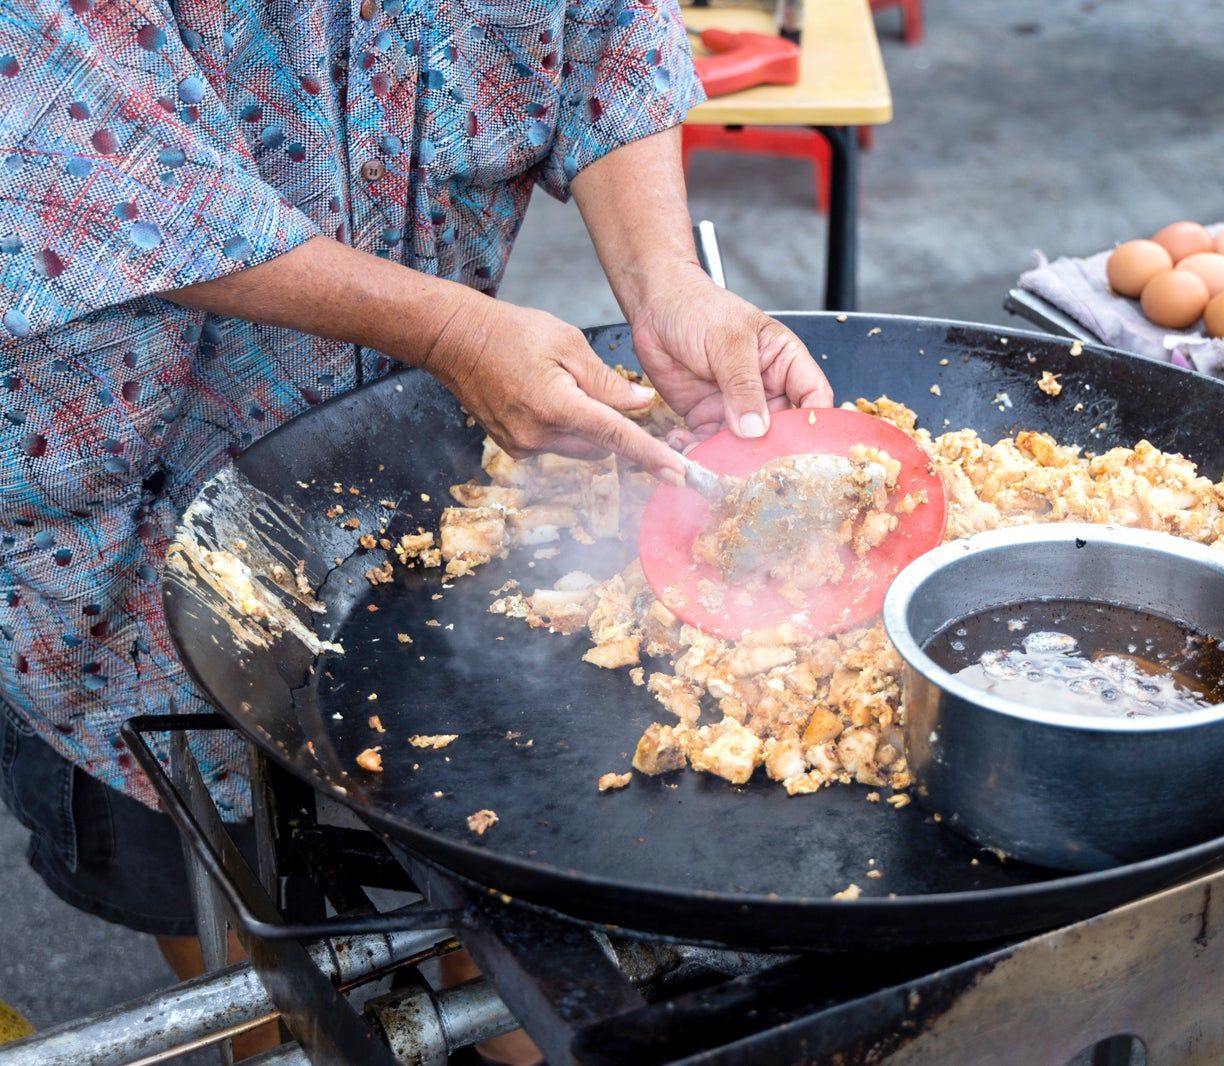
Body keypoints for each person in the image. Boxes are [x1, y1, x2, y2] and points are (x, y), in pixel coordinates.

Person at [0, 0, 829, 1055]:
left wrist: (668, 281)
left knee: (475, 858)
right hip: (128, 502)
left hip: (405, 464)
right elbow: (88, 166)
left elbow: (607, 32)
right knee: (257, 939)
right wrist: (446, 328)